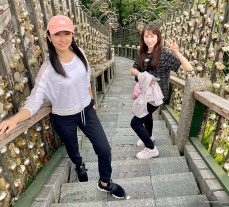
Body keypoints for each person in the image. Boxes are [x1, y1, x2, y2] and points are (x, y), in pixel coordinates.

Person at [0, 15, 125, 199]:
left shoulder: (80, 53)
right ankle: (79, 165)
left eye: (67, 33)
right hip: (64, 117)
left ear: (72, 34)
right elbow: (35, 100)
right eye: (57, 34)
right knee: (73, 149)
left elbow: (86, 78)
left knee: (104, 148)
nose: (63, 38)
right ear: (49, 37)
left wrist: (90, 100)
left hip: (86, 112)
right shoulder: (48, 68)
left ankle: (105, 182)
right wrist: (15, 119)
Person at [130, 23, 193, 160]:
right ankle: (150, 136)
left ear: (158, 37)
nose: (149, 39)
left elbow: (188, 68)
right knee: (147, 116)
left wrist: (176, 52)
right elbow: (133, 69)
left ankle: (151, 149)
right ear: (143, 37)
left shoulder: (164, 55)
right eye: (146, 36)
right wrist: (143, 76)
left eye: (152, 36)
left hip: (157, 96)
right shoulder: (142, 52)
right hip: (145, 93)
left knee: (135, 123)